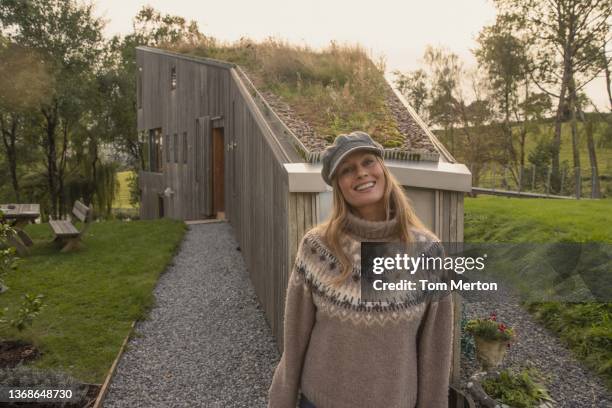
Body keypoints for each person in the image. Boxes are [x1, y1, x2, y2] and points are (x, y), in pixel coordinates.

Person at [268, 131, 453, 408]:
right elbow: (295, 340)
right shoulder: (317, 247)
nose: (361, 173)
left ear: (383, 169)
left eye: (368, 162)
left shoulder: (427, 252)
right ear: (338, 186)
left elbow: (435, 352)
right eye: (347, 170)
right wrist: (281, 401)